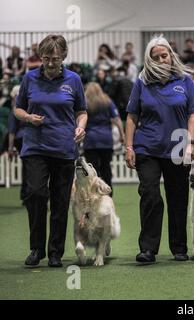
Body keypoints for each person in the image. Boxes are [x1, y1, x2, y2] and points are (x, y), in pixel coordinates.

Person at [125, 35, 194, 264]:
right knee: (150, 194)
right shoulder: (142, 82)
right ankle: (148, 249)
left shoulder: (185, 81)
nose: (161, 60)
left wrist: (191, 143)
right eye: (155, 57)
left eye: (164, 55)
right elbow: (131, 116)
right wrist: (129, 146)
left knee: (178, 197)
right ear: (149, 60)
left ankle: (179, 247)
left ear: (171, 55)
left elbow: (192, 114)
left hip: (177, 146)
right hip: (147, 147)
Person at [14, 35, 87, 267]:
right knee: (35, 194)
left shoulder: (74, 80)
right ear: (40, 57)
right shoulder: (29, 78)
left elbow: (81, 111)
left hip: (64, 147)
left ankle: (55, 252)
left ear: (63, 56)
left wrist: (81, 127)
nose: (50, 63)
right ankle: (36, 249)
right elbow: (18, 109)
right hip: (35, 145)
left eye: (55, 58)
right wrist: (27, 117)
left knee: (60, 200)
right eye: (46, 58)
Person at [83, 82, 124, 195]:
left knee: (92, 171)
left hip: (90, 141)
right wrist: (122, 135)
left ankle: (94, 195)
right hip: (106, 140)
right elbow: (117, 119)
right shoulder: (107, 101)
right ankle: (108, 194)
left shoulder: (85, 103)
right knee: (106, 168)